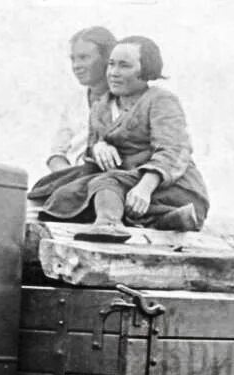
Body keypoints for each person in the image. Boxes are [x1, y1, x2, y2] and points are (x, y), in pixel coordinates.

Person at [29, 35, 209, 232]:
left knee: (106, 183)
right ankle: (163, 219)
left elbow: (174, 151)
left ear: (146, 70)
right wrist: (98, 148)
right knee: (58, 184)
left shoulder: (160, 100)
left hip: (166, 187)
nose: (113, 73)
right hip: (122, 183)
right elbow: (91, 151)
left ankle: (109, 226)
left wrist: (144, 188)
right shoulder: (101, 107)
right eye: (111, 65)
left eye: (124, 66)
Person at [43, 26, 117, 176]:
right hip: (72, 179)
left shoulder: (128, 100)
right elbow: (57, 154)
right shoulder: (74, 102)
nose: (76, 66)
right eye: (73, 59)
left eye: (84, 58)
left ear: (107, 59)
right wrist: (70, 176)